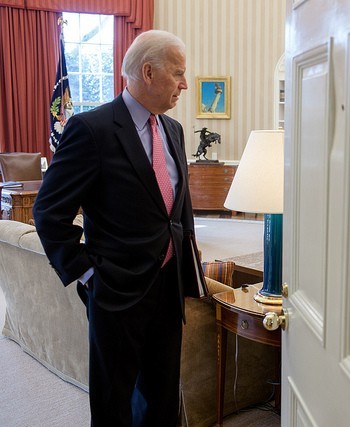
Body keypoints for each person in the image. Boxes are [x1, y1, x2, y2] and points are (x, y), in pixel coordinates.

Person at [33, 30, 203, 426]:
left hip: (167, 286)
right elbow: (48, 212)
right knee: (114, 401)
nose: (184, 84)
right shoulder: (91, 130)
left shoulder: (173, 130)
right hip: (115, 290)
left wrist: (189, 266)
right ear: (148, 72)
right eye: (178, 73)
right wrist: (88, 272)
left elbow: (178, 212)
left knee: (162, 396)